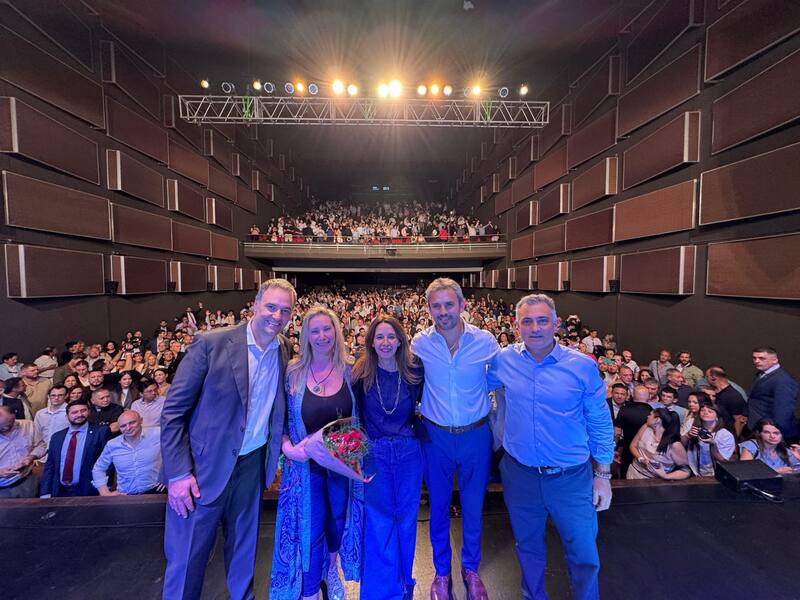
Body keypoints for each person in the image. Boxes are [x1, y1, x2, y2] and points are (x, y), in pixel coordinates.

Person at [160, 279, 295, 600]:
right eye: (271, 307)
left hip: (252, 465)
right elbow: (173, 413)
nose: (277, 316)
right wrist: (178, 474)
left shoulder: (283, 349)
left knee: (244, 556)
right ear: (255, 305)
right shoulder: (211, 344)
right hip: (201, 471)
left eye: (285, 311)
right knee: (186, 560)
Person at [488, 293, 613, 600]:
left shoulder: (582, 366)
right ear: (517, 325)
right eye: (527, 321)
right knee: (527, 548)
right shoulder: (504, 361)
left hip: (571, 478)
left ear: (556, 324)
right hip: (520, 474)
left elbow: (599, 421)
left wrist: (603, 474)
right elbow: (473, 390)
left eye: (543, 320)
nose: (535, 328)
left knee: (583, 553)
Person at [411, 278, 499, 599]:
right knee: (437, 507)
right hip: (436, 437)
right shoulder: (420, 343)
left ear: (462, 305)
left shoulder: (485, 341)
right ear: (429, 308)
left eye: (449, 304)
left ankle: (471, 569)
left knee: (474, 507)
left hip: (476, 435)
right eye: (436, 305)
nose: (443, 311)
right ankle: (441, 572)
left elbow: (499, 381)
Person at [270, 305, 363, 600]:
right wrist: (288, 448)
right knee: (311, 527)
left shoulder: (351, 369)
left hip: (342, 464)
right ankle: (309, 590)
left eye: (327, 329)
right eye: (315, 331)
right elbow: (279, 419)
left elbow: (362, 418)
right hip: (305, 466)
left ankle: (331, 569)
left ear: (336, 332)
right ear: (306, 336)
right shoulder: (293, 372)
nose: (322, 336)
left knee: (337, 521)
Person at [351, 316, 424, 600]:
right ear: (371, 341)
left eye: (391, 336)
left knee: (406, 520)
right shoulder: (360, 374)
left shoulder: (414, 371)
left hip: (409, 452)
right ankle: (382, 591)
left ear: (400, 340)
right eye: (379, 337)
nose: (385, 342)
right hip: (375, 452)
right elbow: (354, 418)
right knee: (378, 521)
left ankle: (406, 582)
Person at [40, 399, 111, 497]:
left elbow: (108, 463)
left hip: (90, 490)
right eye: (74, 412)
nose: (79, 415)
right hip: (59, 491)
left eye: (83, 411)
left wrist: (105, 489)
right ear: (67, 416)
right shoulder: (57, 437)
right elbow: (50, 466)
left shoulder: (100, 432)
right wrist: (45, 492)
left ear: (89, 412)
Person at [92, 410, 164, 495]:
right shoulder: (112, 444)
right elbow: (98, 469)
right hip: (125, 495)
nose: (128, 428)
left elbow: (175, 454)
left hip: (156, 492)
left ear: (141, 421)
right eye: (123, 426)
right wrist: (105, 493)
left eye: (132, 423)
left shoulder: (158, 434)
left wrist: (169, 477)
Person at [747, 347, 798, 442]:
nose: (756, 361)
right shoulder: (762, 374)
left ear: (775, 360)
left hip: (771, 432)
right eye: (754, 358)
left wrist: (775, 434)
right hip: (758, 427)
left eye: (762, 358)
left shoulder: (783, 380)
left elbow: (784, 411)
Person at [626, 409, 690, 480]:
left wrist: (666, 476)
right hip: (633, 473)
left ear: (657, 420)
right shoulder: (645, 427)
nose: (647, 416)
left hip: (653, 480)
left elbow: (685, 470)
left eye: (650, 415)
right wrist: (640, 458)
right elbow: (633, 445)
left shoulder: (674, 445)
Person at [0, 404, 46, 498]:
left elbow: (41, 445)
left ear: (14, 417)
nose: (4, 430)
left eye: (7, 426)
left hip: (28, 480)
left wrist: (31, 456)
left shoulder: (28, 426)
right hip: (2, 488)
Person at [685, 399, 736, 477]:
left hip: (716, 474)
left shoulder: (725, 435)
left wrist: (713, 445)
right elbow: (679, 444)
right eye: (702, 410)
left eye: (710, 411)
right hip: (694, 472)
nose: (705, 413)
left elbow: (723, 460)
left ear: (717, 416)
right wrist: (688, 435)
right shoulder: (693, 425)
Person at [614, 384, 653, 476]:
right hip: (647, 450)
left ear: (632, 395)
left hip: (627, 448)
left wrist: (615, 448)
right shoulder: (653, 412)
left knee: (625, 473)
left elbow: (617, 433)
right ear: (648, 397)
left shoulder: (624, 410)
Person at [33, 385, 69, 462]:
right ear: (48, 396)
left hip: (64, 454)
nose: (56, 398)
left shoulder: (70, 412)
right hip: (42, 455)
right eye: (53, 395)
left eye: (60, 395)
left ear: (66, 396)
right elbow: (36, 435)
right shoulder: (40, 413)